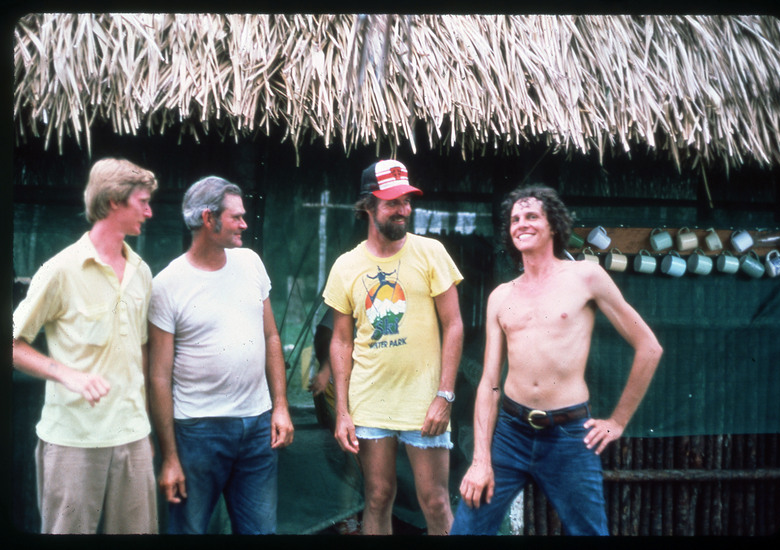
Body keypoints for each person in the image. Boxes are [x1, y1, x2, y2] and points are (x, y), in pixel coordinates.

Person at [450, 184, 663, 536]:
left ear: (553, 225)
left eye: (532, 216)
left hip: (568, 436)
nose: (521, 224)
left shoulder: (586, 277)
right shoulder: (501, 297)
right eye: (515, 219)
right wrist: (480, 460)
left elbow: (649, 347)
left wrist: (618, 421)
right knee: (467, 530)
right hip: (510, 434)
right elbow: (489, 384)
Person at [12, 158, 159, 534]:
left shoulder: (142, 272)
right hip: (73, 442)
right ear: (113, 201)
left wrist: (143, 430)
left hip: (132, 440)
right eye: (142, 202)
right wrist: (67, 375)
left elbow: (139, 353)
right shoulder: (60, 270)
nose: (149, 211)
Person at [323, 159, 464, 535]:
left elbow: (453, 326)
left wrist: (445, 395)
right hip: (371, 401)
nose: (403, 210)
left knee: (435, 501)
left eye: (406, 200)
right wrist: (343, 411)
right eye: (392, 202)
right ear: (368, 206)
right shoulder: (346, 266)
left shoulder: (431, 253)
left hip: (425, 400)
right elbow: (340, 340)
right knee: (379, 496)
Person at [148, 176, 294, 534]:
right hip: (197, 431)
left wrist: (280, 406)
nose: (245, 224)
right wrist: (169, 457)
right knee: (189, 531)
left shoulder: (251, 263)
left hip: (258, 426)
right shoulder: (167, 284)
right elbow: (158, 376)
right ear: (208, 218)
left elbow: (272, 337)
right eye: (236, 217)